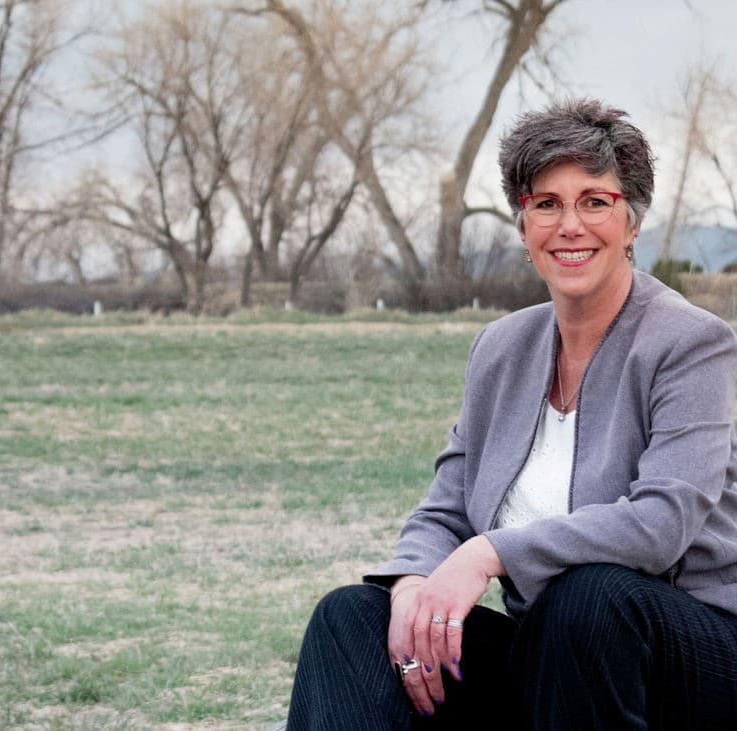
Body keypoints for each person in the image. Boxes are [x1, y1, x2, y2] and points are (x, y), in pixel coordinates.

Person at [286, 98, 737, 730]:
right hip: (550, 660)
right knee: (354, 616)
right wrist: (415, 584)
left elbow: (661, 523)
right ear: (523, 226)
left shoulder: (690, 342)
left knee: (589, 596)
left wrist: (486, 554)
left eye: (594, 201)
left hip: (689, 656)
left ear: (631, 223)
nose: (569, 224)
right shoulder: (500, 348)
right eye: (545, 203)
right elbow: (444, 509)